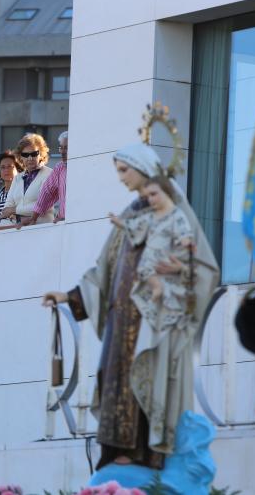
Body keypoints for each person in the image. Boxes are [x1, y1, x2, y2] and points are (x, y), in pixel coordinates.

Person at [42, 143, 218, 470]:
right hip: (120, 320)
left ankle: (149, 461)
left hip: (153, 321)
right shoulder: (129, 215)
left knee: (147, 385)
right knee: (115, 382)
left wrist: (176, 276)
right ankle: (117, 466)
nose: (121, 178)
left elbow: (204, 268)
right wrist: (71, 296)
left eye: (125, 170)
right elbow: (105, 270)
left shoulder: (173, 210)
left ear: (144, 169)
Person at [112, 176, 194, 329]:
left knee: (154, 277)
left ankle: (160, 291)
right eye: (147, 196)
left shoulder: (177, 215)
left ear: (166, 192)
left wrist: (186, 245)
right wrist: (120, 222)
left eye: (154, 194)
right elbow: (135, 225)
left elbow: (185, 236)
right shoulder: (152, 216)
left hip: (163, 257)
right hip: (150, 256)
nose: (150, 199)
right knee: (143, 272)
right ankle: (157, 296)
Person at [0, 133, 55, 226]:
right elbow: (7, 208)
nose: (30, 158)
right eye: (25, 154)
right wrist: (17, 215)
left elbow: (43, 206)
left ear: (41, 154)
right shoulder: (17, 178)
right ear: (20, 157)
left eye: (34, 154)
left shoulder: (49, 174)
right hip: (19, 227)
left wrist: (15, 210)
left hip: (42, 228)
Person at [23, 130, 69, 226]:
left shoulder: (85, 166)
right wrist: (34, 217)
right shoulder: (60, 167)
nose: (63, 152)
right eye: (61, 148)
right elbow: (47, 192)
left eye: (67, 148)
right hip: (65, 222)